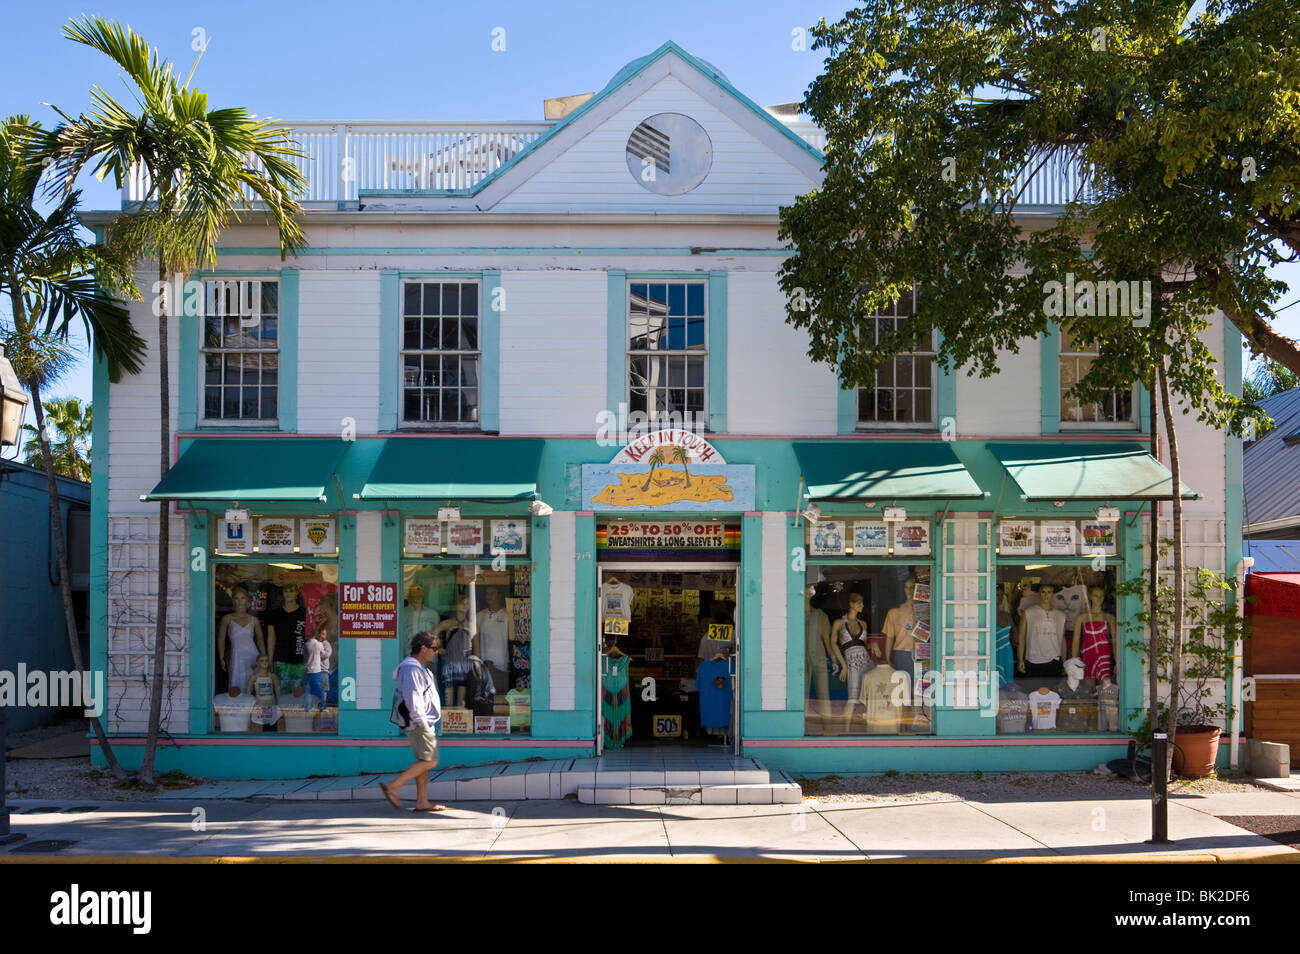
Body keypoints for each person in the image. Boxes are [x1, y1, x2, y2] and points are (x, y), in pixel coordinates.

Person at [380, 632, 446, 813]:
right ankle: (394, 786)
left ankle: (422, 801)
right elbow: (413, 697)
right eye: (433, 648)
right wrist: (422, 723)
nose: (436, 652)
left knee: (423, 760)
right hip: (420, 723)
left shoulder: (418, 668)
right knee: (430, 761)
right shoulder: (412, 669)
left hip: (423, 722)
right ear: (423, 648)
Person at [217, 584, 265, 697]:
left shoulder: (254, 619)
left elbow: (260, 640)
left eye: (242, 598)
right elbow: (221, 639)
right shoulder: (227, 619)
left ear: (247, 600)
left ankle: (254, 712)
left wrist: (264, 657)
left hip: (253, 657)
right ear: (233, 600)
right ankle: (239, 712)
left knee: (254, 687)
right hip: (236, 657)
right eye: (237, 598)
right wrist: (221, 657)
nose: (240, 602)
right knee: (236, 687)